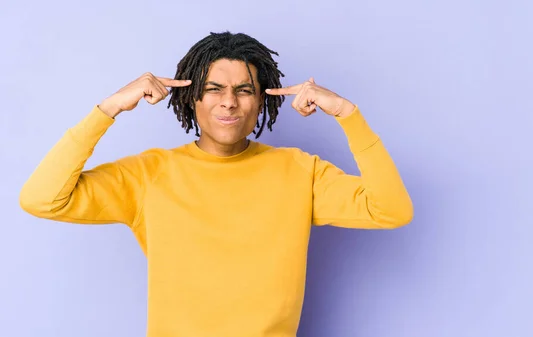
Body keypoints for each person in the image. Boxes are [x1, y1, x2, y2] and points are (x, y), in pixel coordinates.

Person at [19, 31, 413, 337]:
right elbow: (42, 200)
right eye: (214, 89)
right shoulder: (148, 175)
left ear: (261, 102)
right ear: (193, 99)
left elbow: (391, 210)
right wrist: (108, 109)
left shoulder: (299, 171)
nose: (229, 102)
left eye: (244, 90)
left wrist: (348, 114)